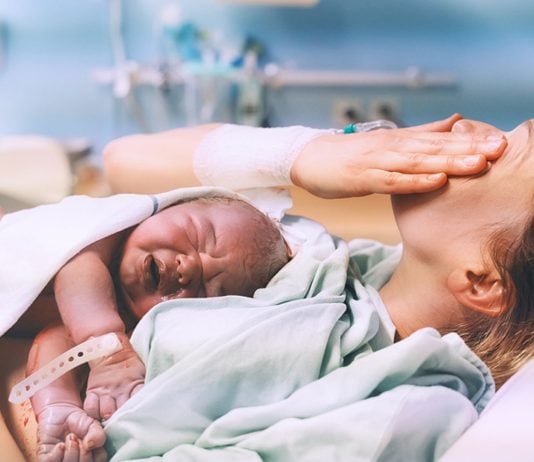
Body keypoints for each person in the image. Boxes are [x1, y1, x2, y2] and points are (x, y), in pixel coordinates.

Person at [102, 114, 533, 390]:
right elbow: (121, 160)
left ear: (483, 280)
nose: (464, 127)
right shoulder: (359, 268)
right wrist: (305, 153)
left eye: (501, 152)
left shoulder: (348, 381)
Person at [5, 193, 289, 461]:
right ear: (169, 205)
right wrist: (110, 356)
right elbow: (77, 274)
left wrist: (57, 404)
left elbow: (55, 341)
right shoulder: (103, 238)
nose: (188, 268)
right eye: (197, 235)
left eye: (206, 289)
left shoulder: (133, 324)